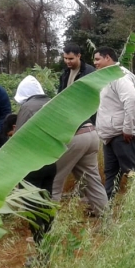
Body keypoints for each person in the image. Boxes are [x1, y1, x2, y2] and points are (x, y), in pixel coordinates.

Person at [53, 43, 108, 215]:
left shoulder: (89, 73)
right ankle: (103, 213)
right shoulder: (65, 74)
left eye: (71, 58)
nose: (67, 61)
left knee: (54, 179)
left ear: (79, 56)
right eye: (65, 58)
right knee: (91, 178)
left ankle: (44, 228)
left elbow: (93, 101)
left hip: (79, 128)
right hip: (85, 132)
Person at [11, 76, 58, 266]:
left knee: (33, 207)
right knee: (46, 204)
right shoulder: (52, 103)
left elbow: (19, 139)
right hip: (51, 161)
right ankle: (49, 246)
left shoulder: (27, 108)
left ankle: (43, 255)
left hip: (31, 165)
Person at [93, 47, 135, 199]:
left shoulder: (120, 76)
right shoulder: (107, 77)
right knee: (111, 172)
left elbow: (131, 99)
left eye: (98, 59)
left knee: (131, 172)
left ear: (108, 58)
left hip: (123, 134)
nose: (95, 63)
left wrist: (128, 128)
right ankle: (105, 206)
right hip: (111, 134)